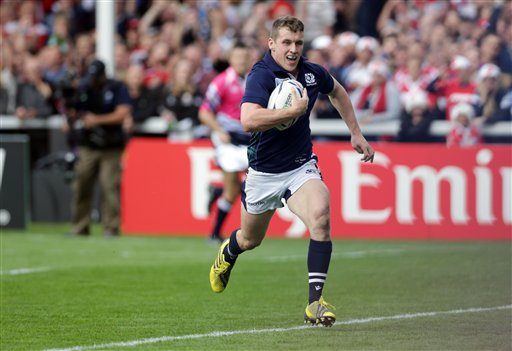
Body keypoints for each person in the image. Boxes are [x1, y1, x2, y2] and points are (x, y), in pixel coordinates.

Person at [209, 16, 374, 327]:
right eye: (286, 42)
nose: (293, 49)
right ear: (272, 44)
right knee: (249, 239)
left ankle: (314, 303)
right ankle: (228, 253)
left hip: (300, 167)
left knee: (321, 217)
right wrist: (292, 112)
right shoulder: (261, 75)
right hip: (263, 173)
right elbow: (248, 120)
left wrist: (355, 132)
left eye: (298, 43)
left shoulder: (312, 73)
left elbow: (337, 91)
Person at [66, 59, 131, 237]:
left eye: (96, 77)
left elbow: (122, 113)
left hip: (111, 146)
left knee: (109, 186)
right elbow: (74, 111)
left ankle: (110, 227)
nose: (93, 80)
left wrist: (96, 120)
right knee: (81, 184)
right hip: (88, 145)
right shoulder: (84, 89)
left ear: (103, 75)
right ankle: (80, 226)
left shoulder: (117, 88)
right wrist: (72, 114)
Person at [199, 42, 252, 244]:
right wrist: (218, 131)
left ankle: (217, 191)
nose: (241, 61)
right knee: (233, 190)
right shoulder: (221, 82)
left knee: (254, 183)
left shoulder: (253, 80)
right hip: (228, 140)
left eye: (244, 58)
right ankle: (214, 233)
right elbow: (204, 112)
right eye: (237, 57)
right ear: (231, 59)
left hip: (248, 140)